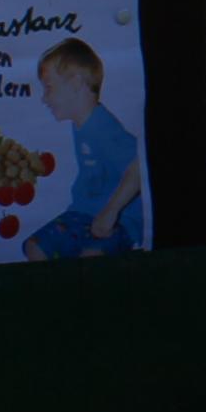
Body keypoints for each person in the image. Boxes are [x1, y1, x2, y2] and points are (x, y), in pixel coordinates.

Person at [21, 36, 145, 258]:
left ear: (76, 83)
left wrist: (111, 212)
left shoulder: (102, 126)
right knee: (34, 246)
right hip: (83, 213)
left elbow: (137, 168)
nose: (44, 98)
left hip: (119, 220)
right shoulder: (81, 124)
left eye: (49, 88)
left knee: (91, 257)